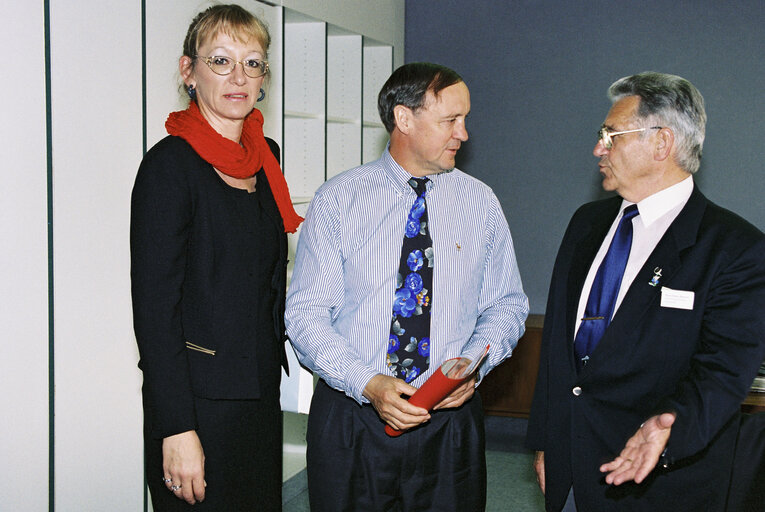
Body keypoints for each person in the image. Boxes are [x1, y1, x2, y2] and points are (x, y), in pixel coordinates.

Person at [285, 62, 529, 511]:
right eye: (450, 120)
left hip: (449, 423)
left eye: (465, 119)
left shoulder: (481, 202)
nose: (464, 133)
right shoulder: (338, 200)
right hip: (353, 416)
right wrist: (368, 382)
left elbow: (507, 305)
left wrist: (472, 364)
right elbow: (305, 316)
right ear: (404, 119)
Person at [526, 71, 765, 511]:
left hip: (659, 481)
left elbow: (724, 370)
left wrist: (666, 426)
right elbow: (558, 351)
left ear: (661, 143)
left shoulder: (735, 248)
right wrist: (546, 441)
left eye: (611, 135)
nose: (599, 148)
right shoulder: (586, 224)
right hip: (571, 466)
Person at [130, 4, 302, 510]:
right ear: (189, 71)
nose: (238, 76)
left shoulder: (264, 153)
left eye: (253, 63)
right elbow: (155, 313)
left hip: (259, 394)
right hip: (196, 404)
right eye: (220, 60)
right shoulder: (168, 167)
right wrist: (177, 428)